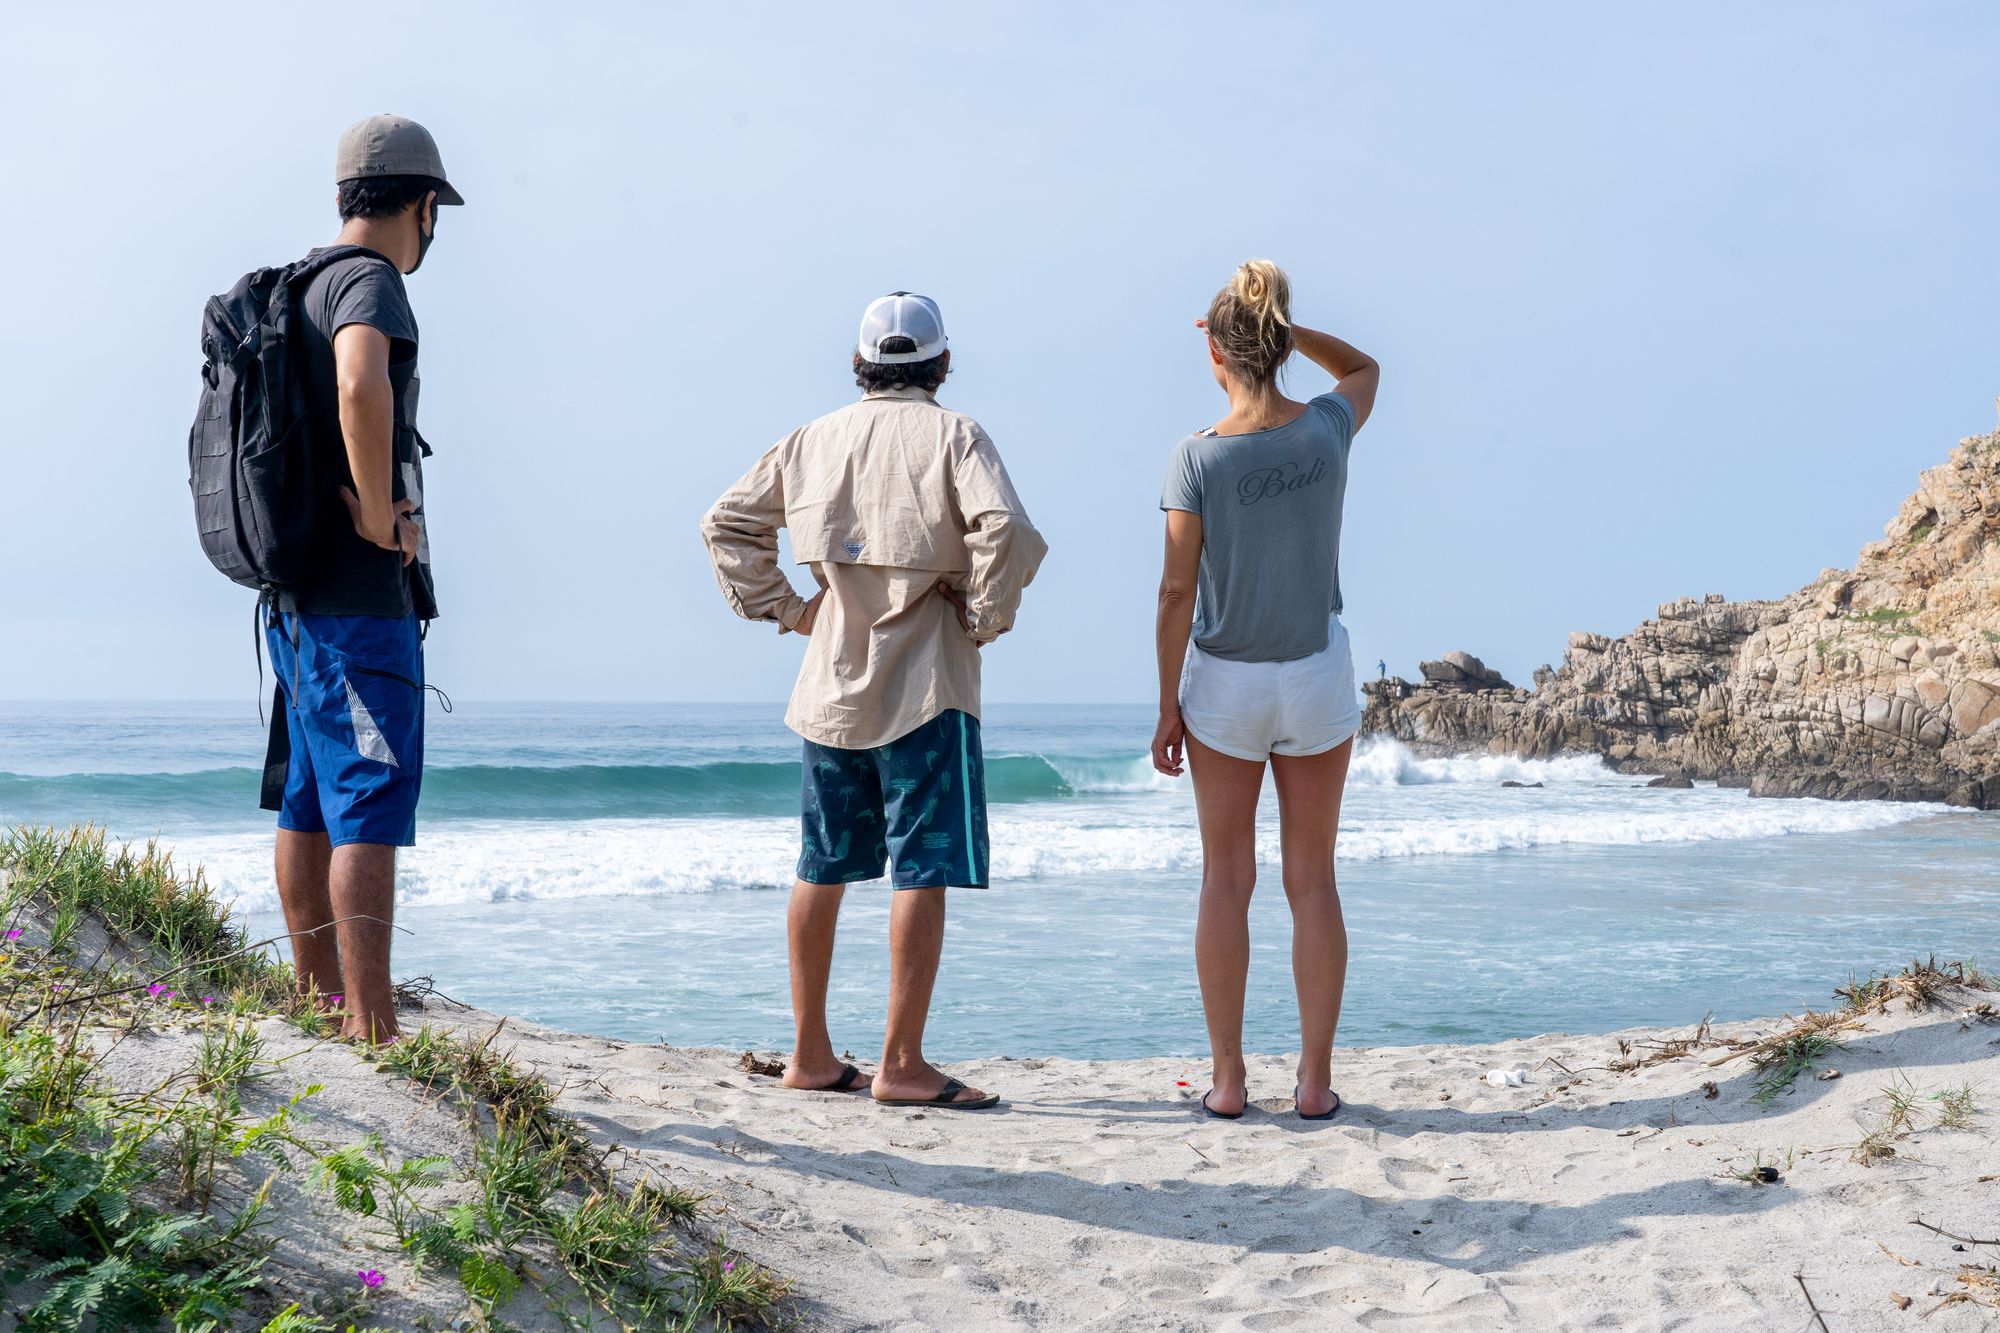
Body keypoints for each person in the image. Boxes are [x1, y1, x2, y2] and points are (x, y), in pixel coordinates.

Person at [701, 293, 1047, 1109]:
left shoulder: (814, 437)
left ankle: (810, 1053)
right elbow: (1006, 529)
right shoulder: (956, 434)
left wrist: (790, 609)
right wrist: (985, 616)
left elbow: (725, 524)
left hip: (830, 681)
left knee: (820, 865)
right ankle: (900, 1062)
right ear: (942, 364)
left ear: (860, 366)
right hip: (928, 678)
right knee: (920, 869)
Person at [1150, 260, 1379, 1121]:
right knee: (1312, 878)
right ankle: (1314, 1084)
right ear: (1280, 342)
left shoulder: (1196, 458)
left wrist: (1166, 702)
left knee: (1226, 879)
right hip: (1314, 672)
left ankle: (1230, 1081)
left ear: (1213, 350)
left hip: (1226, 683)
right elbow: (1364, 370)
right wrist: (1293, 330)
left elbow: (1177, 592)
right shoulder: (1325, 429)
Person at [263, 115, 463, 1044]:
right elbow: (359, 383)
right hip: (352, 602)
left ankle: (321, 1000)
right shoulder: (369, 282)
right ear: (421, 205)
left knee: (311, 798)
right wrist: (383, 516)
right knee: (370, 806)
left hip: (296, 600)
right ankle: (373, 1027)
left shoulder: (298, 282)